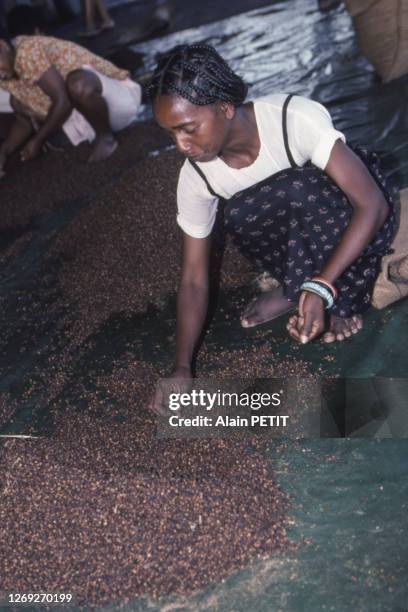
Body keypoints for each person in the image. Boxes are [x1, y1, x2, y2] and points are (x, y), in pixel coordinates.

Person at [148, 44, 395, 405]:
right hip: (301, 235)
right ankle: (295, 284)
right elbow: (193, 278)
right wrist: (182, 366)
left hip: (352, 215)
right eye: (170, 135)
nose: (181, 145)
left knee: (301, 189)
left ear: (225, 108)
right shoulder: (196, 177)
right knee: (237, 215)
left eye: (187, 129)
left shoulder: (291, 118)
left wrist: (323, 285)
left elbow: (371, 205)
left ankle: (341, 298)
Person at [0, 34, 141, 173]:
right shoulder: (6, 75)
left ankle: (105, 138)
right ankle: (98, 136)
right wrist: (5, 150)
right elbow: (23, 120)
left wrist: (38, 140)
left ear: (2, 46)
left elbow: (64, 101)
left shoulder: (27, 51)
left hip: (120, 101)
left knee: (78, 83)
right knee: (20, 104)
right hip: (89, 123)